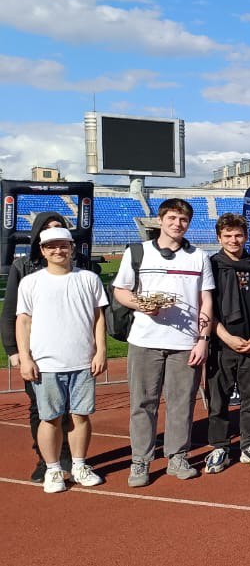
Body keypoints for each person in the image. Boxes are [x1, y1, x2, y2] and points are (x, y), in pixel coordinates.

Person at [112, 198, 215, 487]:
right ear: (160, 220)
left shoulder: (199, 257)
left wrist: (203, 339)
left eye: (183, 220)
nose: (177, 224)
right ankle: (140, 460)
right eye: (171, 218)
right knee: (143, 403)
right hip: (145, 340)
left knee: (181, 402)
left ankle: (177, 456)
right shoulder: (138, 252)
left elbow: (206, 300)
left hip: (185, 342)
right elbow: (120, 290)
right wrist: (140, 305)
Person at [2, 212, 96, 482]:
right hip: (39, 353)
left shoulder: (80, 268)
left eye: (59, 228)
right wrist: (14, 350)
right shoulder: (24, 268)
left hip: (75, 352)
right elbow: (13, 313)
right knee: (41, 410)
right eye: (47, 229)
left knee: (73, 411)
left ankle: (70, 457)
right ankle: (46, 460)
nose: (55, 236)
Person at [16, 227, 108, 493]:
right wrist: (25, 358)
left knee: (81, 415)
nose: (58, 250)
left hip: (82, 361)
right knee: (50, 418)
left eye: (63, 245)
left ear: (72, 248)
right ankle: (53, 469)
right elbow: (23, 321)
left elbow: (98, 317)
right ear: (43, 251)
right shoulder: (31, 282)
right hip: (46, 363)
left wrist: (101, 350)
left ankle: (79, 465)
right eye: (52, 246)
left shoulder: (89, 279)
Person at [206, 213, 250, 473]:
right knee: (218, 400)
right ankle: (220, 446)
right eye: (228, 236)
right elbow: (204, 306)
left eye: (238, 235)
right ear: (219, 237)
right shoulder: (210, 266)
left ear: (246, 236)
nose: (233, 240)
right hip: (221, 344)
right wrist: (224, 336)